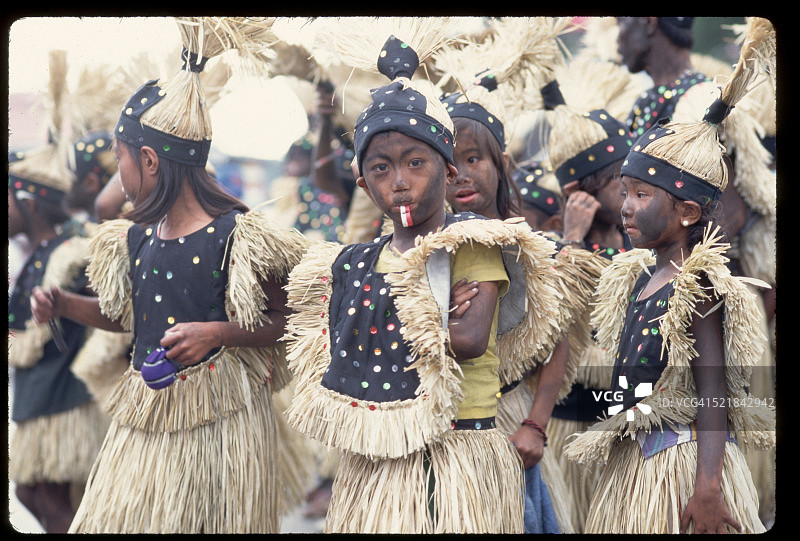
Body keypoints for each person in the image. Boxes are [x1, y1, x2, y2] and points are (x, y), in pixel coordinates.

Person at [30, 17, 311, 533]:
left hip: (220, 421)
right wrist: (65, 305)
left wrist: (217, 332)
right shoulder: (136, 238)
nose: (119, 175)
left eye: (119, 159)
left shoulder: (238, 237)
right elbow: (130, 319)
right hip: (147, 416)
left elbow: (288, 320)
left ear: (149, 160)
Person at [283, 20, 565, 533]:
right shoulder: (355, 263)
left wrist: (392, 318)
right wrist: (432, 313)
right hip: (378, 458)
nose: (400, 182)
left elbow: (469, 339)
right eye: (382, 169)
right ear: (363, 183)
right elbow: (331, 345)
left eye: (416, 163)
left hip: (458, 452)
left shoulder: (472, 242)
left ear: (448, 172)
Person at [563, 18, 775, 534]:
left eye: (641, 195)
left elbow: (713, 394)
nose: (625, 207)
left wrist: (708, 489)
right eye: (624, 192)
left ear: (687, 212)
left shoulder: (696, 286)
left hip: (683, 470)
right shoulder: (640, 278)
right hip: (638, 467)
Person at [7, 50, 111, 534]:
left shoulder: (73, 250)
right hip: (42, 391)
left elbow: (107, 315)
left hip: (63, 394)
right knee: (36, 493)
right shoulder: (45, 252)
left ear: (28, 201)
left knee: (47, 493)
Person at [616, 17, 710, 138]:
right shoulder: (645, 102)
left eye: (620, 22)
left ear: (649, 22)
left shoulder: (702, 102)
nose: (617, 39)